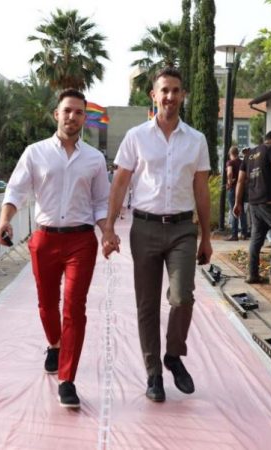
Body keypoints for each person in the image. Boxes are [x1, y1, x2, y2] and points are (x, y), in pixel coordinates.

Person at [102, 67, 212, 403]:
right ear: (154, 95)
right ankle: (153, 375)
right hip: (145, 227)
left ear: (183, 95)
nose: (170, 96)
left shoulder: (196, 140)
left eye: (176, 90)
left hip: (182, 229)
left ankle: (173, 355)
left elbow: (202, 189)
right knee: (147, 304)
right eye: (164, 90)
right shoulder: (136, 136)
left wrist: (206, 237)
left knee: (182, 296)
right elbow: (120, 182)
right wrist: (109, 227)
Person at [0, 88, 110, 409]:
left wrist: (107, 232)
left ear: (84, 118)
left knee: (74, 307)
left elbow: (101, 202)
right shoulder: (35, 153)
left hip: (81, 241)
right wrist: (5, 221)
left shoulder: (94, 159)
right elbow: (16, 190)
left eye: (78, 112)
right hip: (44, 240)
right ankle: (55, 344)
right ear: (56, 115)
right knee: (47, 304)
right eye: (67, 111)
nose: (72, 116)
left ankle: (67, 380)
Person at [233, 130, 271, 284]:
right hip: (270, 201)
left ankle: (252, 274)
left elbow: (240, 181)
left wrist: (238, 202)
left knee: (256, 238)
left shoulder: (250, 154)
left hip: (254, 202)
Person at [225, 146, 248, 241]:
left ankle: (234, 234)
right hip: (242, 189)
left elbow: (229, 173)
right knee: (242, 210)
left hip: (233, 188)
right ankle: (244, 233)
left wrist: (230, 182)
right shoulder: (242, 162)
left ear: (230, 154)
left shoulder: (230, 162)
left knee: (233, 210)